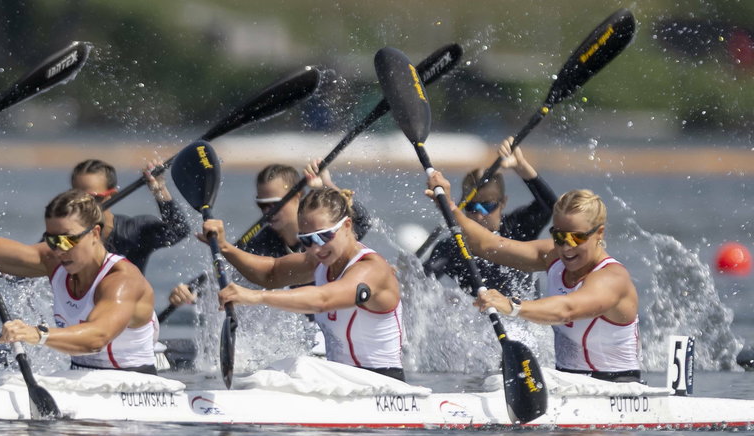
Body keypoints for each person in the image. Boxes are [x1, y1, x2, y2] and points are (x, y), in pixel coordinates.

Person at [0, 152, 159, 373]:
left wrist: (37, 334)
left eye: (68, 240)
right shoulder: (53, 259)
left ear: (95, 234)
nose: (59, 249)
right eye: (52, 240)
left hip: (131, 388)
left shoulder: (122, 280)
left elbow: (97, 337)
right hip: (83, 382)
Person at [425, 172, 641, 382]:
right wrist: (449, 206)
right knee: (496, 381)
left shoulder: (612, 278)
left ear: (599, 233)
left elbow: (567, 310)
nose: (566, 247)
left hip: (616, 387)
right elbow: (487, 245)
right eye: (559, 236)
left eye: (576, 238)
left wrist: (512, 307)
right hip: (571, 384)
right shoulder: (553, 256)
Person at [196, 187, 405, 380]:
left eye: (324, 236)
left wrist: (255, 296)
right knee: (275, 373)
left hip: (383, 385)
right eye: (307, 240)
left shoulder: (371, 270)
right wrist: (224, 247)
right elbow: (271, 272)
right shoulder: (321, 261)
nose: (315, 249)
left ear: (347, 226)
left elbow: (323, 299)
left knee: (299, 366)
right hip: (342, 382)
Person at [167, 160, 366, 307]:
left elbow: (361, 222)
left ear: (298, 196)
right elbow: (239, 271)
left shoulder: (331, 236)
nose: (268, 211)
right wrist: (192, 290)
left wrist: (326, 187)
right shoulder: (262, 243)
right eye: (262, 205)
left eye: (274, 204)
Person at [422, 137, 558, 298]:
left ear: (503, 203)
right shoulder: (451, 247)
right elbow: (422, 281)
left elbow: (551, 206)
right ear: (462, 205)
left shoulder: (518, 228)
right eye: (471, 207)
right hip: (480, 320)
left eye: (487, 206)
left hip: (524, 321)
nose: (479, 215)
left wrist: (522, 167)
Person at [70, 158, 190, 273]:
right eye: (77, 198)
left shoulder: (135, 231)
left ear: (111, 196)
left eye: (93, 198)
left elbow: (179, 231)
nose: (84, 205)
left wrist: (160, 191)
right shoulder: (64, 236)